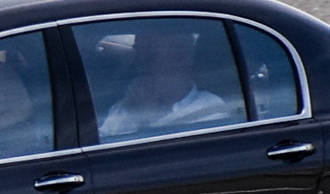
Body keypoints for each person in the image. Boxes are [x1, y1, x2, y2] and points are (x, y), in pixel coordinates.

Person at [94, 27, 232, 138]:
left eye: (149, 55)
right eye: (137, 53)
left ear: (181, 58)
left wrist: (146, 117)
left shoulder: (210, 110)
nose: (138, 63)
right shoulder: (127, 106)